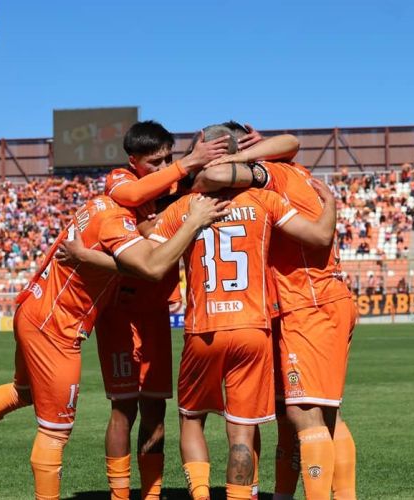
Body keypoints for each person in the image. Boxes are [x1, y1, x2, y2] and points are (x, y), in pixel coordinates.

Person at [0, 192, 228, 499]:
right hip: (56, 326)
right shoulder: (117, 214)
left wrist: (86, 255)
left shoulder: (102, 203)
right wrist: (190, 218)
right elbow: (149, 266)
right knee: (56, 431)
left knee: (25, 391)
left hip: (34, 310)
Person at [74, 120, 298, 500]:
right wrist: (197, 166)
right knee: (126, 408)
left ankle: (154, 493)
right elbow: (291, 144)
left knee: (165, 412)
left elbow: (151, 248)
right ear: (133, 160)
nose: (163, 168)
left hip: (177, 318)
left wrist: (188, 196)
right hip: (129, 312)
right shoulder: (127, 180)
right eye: (154, 162)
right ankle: (120, 495)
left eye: (168, 159)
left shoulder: (185, 201)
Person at [149, 170, 338, 500]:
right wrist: (331, 203)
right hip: (253, 328)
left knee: (191, 419)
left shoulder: (185, 207)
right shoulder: (264, 200)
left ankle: (202, 495)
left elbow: (149, 258)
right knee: (241, 431)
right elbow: (321, 236)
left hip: (203, 330)